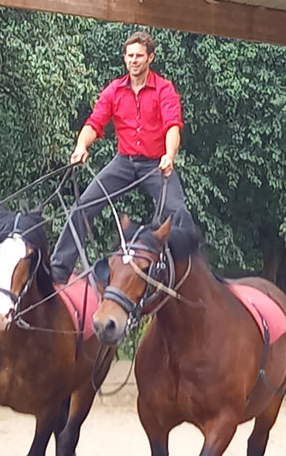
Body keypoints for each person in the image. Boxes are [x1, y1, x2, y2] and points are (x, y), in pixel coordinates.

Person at [50, 30, 194, 284]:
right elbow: (94, 123)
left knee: (178, 212)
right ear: (124, 58)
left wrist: (169, 155)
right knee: (81, 207)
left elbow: (173, 125)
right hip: (124, 162)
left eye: (139, 56)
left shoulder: (164, 89)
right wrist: (81, 146)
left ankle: (193, 272)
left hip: (154, 163)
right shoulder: (114, 90)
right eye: (129, 56)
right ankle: (60, 269)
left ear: (151, 57)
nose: (134, 60)